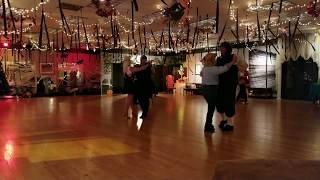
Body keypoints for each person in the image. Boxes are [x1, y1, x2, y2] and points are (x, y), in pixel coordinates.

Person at [200, 53, 237, 133]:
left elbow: (201, 74)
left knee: (211, 108)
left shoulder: (204, 68)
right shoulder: (213, 69)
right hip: (211, 89)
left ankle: (209, 125)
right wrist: (233, 61)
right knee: (211, 109)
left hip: (204, 89)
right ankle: (208, 126)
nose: (216, 60)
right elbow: (225, 68)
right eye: (214, 59)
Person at [216, 42, 239, 131]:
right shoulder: (219, 59)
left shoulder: (233, 57)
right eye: (220, 48)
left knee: (229, 103)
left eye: (223, 48)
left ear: (227, 49)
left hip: (230, 85)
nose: (221, 50)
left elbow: (235, 69)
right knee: (219, 103)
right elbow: (217, 70)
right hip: (220, 84)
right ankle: (224, 120)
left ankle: (230, 123)